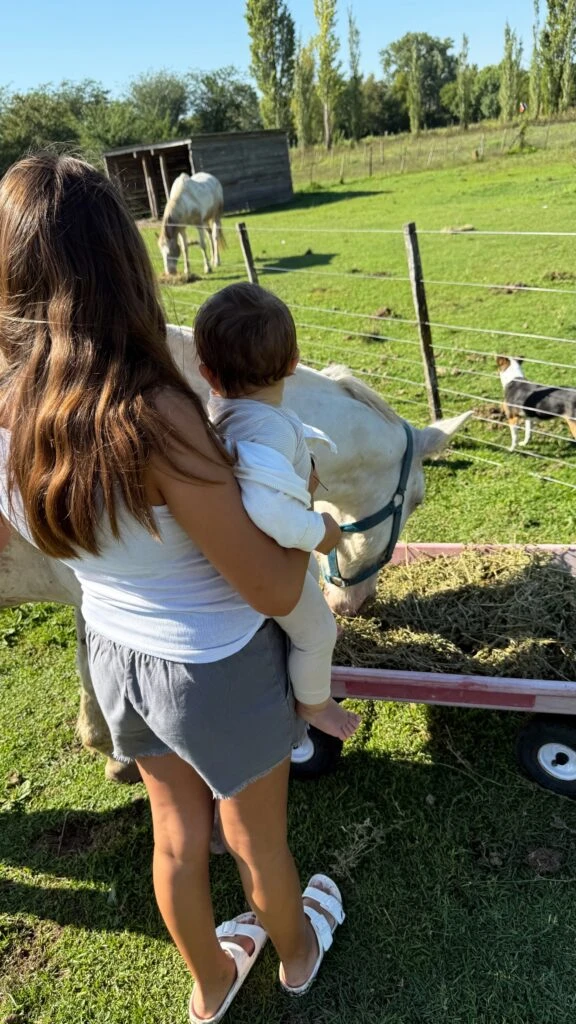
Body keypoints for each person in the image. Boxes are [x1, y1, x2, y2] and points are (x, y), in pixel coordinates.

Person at [0, 153, 345, 1024]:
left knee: (176, 837)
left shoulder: (9, 412)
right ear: (124, 263)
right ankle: (297, 953)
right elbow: (269, 587)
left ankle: (211, 983)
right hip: (214, 667)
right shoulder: (158, 412)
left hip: (114, 654)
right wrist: (310, 525)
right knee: (254, 839)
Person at [195, 282, 360, 742]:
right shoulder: (261, 433)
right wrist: (320, 531)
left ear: (207, 373)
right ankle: (315, 703)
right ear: (294, 363)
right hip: (270, 555)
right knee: (318, 632)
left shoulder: (227, 412)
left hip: (258, 555)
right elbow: (271, 512)